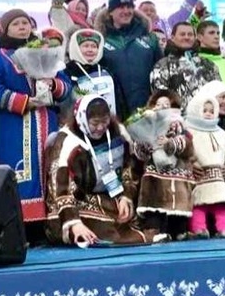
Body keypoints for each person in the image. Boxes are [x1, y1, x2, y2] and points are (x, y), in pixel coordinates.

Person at [0, 10, 72, 227]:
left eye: (25, 22)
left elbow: (66, 86)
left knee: (50, 167)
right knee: (21, 173)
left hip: (46, 122)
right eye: (16, 24)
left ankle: (51, 221)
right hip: (14, 127)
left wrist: (53, 85)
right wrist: (24, 102)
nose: (22, 27)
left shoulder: (46, 52)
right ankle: (24, 225)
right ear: (5, 29)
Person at [43, 95, 159, 246]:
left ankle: (145, 229)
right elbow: (59, 188)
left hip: (107, 195)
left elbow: (128, 168)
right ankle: (136, 236)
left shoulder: (117, 132)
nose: (100, 128)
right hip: (73, 201)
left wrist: (126, 196)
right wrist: (74, 222)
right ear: (82, 119)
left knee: (138, 201)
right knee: (98, 225)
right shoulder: (67, 141)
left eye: (104, 122)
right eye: (95, 123)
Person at [184, 93, 225, 239]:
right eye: (205, 110)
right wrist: (190, 164)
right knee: (198, 205)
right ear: (196, 110)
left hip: (218, 178)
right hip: (200, 177)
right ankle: (199, 229)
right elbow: (185, 152)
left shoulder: (221, 134)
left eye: (211, 111)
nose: (208, 114)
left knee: (222, 205)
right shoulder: (189, 131)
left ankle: (224, 228)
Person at [130, 91, 194, 240]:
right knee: (154, 206)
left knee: (177, 207)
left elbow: (188, 148)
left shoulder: (180, 126)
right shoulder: (147, 126)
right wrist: (146, 143)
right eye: (158, 104)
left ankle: (179, 231)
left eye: (166, 105)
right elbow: (139, 154)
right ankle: (155, 232)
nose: (162, 107)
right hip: (155, 176)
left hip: (176, 175)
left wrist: (170, 143)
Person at [95, 0, 162, 117]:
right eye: (120, 7)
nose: (126, 11)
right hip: (115, 115)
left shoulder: (150, 39)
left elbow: (162, 74)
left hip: (148, 112)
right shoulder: (101, 42)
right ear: (110, 12)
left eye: (129, 6)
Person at [150, 22, 220, 109]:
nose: (186, 37)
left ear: (195, 38)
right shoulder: (163, 65)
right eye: (182, 34)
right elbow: (160, 96)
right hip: (177, 118)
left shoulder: (208, 64)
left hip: (207, 116)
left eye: (190, 34)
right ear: (172, 37)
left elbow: (218, 90)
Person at [63, 29, 116, 118]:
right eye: (86, 46)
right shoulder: (67, 72)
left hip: (108, 122)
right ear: (76, 48)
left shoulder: (106, 70)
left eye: (94, 46)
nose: (90, 50)